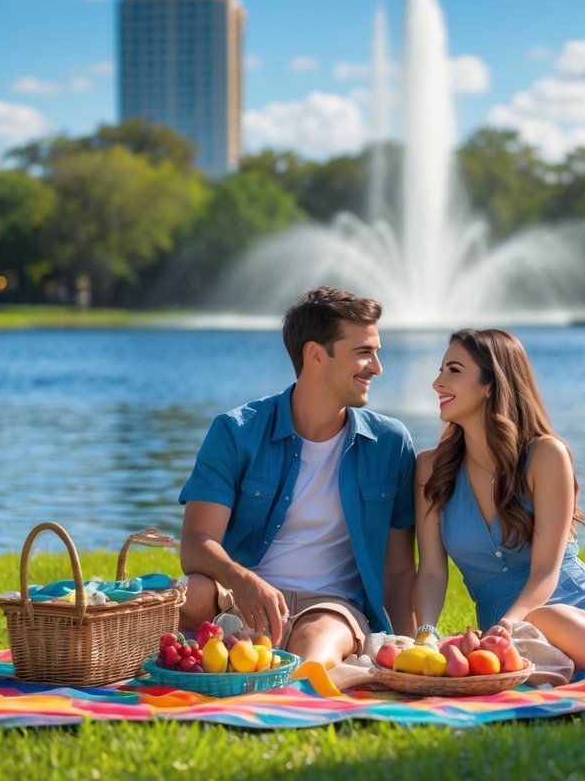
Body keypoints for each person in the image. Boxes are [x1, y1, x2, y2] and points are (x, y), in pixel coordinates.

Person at [177, 286, 417, 668]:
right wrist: (242, 580)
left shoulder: (389, 444)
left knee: (311, 657)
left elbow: (400, 569)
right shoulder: (236, 432)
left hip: (330, 609)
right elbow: (195, 543)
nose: (377, 367)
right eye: (363, 352)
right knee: (171, 601)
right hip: (237, 593)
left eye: (376, 352)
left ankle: (283, 697)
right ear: (316, 354)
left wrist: (410, 652)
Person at [413, 328, 585, 670]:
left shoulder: (546, 455)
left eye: (453, 371)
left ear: (491, 384)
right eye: (441, 371)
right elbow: (430, 572)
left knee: (548, 620)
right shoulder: (431, 469)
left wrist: (509, 623)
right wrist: (426, 634)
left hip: (583, 614)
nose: (437, 383)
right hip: (507, 638)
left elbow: (546, 573)